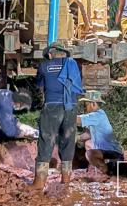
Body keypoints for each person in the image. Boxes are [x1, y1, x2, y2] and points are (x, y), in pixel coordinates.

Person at [29, 42, 84, 190]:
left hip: (52, 106)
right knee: (68, 141)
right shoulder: (73, 65)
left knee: (47, 139)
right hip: (70, 107)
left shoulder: (44, 65)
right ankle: (65, 180)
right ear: (64, 53)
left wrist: (42, 101)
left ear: (50, 54)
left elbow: (40, 86)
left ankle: (39, 182)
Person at [77, 90, 123, 175]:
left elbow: (78, 120)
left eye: (86, 105)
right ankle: (100, 167)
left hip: (113, 154)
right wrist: (77, 138)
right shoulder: (97, 116)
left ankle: (106, 172)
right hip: (108, 152)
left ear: (93, 104)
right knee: (88, 143)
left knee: (89, 154)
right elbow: (88, 134)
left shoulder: (97, 115)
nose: (85, 108)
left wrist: (65, 116)